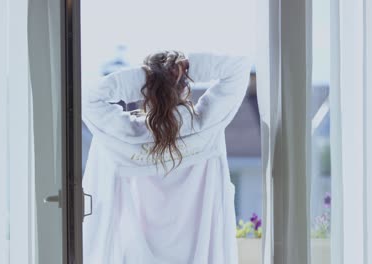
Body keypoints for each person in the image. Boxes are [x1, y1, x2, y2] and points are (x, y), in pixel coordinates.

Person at [82, 50, 252, 264]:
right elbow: (239, 66)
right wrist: (185, 68)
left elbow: (87, 98)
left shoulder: (124, 139)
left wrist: (146, 78)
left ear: (146, 91)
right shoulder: (207, 127)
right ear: (185, 85)